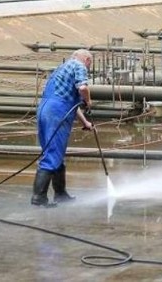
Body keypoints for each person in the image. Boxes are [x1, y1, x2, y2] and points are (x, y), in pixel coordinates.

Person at [31, 49, 94, 207]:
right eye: (90, 63)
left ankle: (60, 194)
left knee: (54, 153)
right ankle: (39, 198)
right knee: (52, 155)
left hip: (45, 109)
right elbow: (83, 88)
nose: (89, 67)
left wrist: (85, 123)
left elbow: (72, 104)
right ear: (86, 59)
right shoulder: (79, 66)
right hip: (57, 112)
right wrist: (89, 101)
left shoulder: (60, 69)